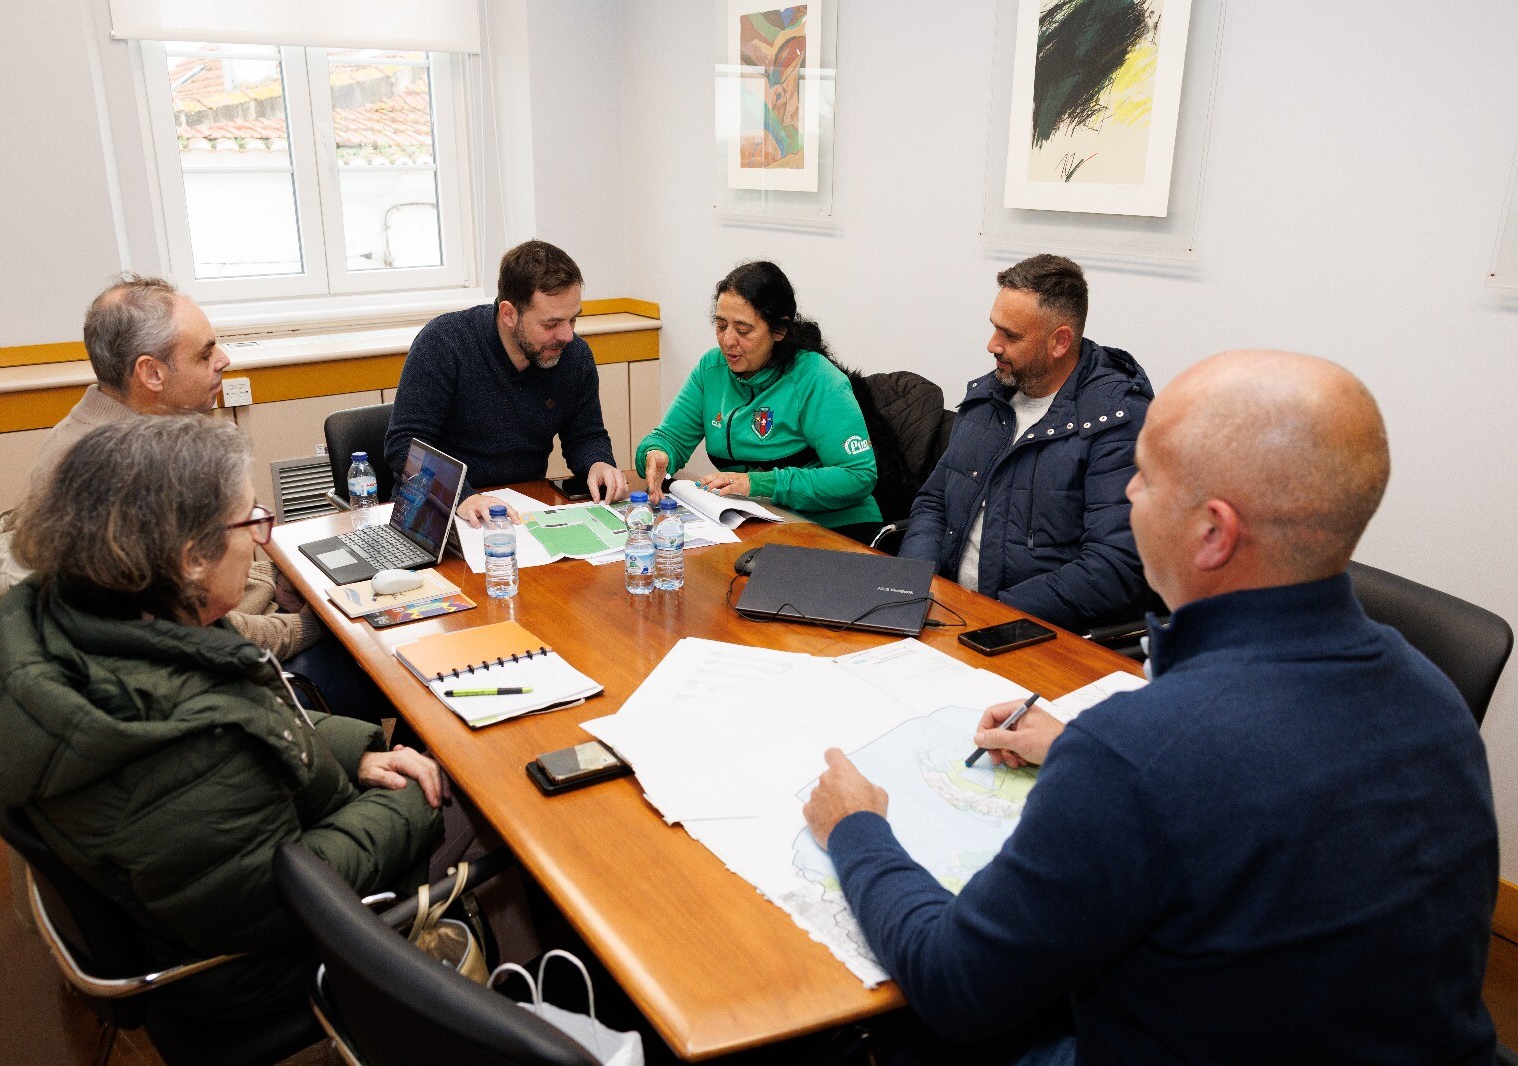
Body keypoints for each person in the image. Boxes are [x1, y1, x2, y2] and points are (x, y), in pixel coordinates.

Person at [803, 350, 1498, 1064]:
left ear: (1213, 533)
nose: (1128, 493)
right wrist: (1075, 748)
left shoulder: (1137, 754)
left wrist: (856, 828)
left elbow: (956, 985)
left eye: (1145, 476)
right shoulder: (1434, 700)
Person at [0, 417, 447, 1020]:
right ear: (189, 560)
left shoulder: (77, 621)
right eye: (250, 521)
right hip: (255, 965)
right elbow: (277, 895)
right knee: (484, 814)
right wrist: (413, 805)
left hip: (200, 895)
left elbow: (255, 724)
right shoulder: (183, 743)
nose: (261, 538)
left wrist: (355, 755)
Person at [27, 274, 321, 663]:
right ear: (151, 373)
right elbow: (192, 631)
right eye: (204, 354)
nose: (224, 360)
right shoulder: (120, 475)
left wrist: (277, 580)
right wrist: (310, 625)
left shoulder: (101, 428)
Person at [900, 254, 1151, 632]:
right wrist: (915, 586)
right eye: (994, 328)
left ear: (1059, 341)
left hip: (1029, 631)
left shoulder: (1116, 422)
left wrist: (992, 615)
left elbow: (1113, 566)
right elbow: (934, 504)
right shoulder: (989, 398)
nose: (992, 345)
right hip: (945, 615)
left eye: (1011, 335)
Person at [386, 240, 628, 525]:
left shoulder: (574, 356)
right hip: (439, 510)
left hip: (520, 511)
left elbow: (585, 436)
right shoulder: (445, 342)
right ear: (509, 314)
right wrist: (463, 498)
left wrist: (598, 463)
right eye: (551, 324)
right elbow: (405, 446)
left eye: (573, 320)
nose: (567, 336)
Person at [634, 261, 880, 537]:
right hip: (758, 523)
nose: (727, 340)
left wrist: (756, 484)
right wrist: (656, 453)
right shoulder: (711, 370)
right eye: (721, 325)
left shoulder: (816, 377)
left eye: (743, 330)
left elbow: (858, 476)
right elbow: (670, 438)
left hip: (836, 528)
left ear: (779, 329)